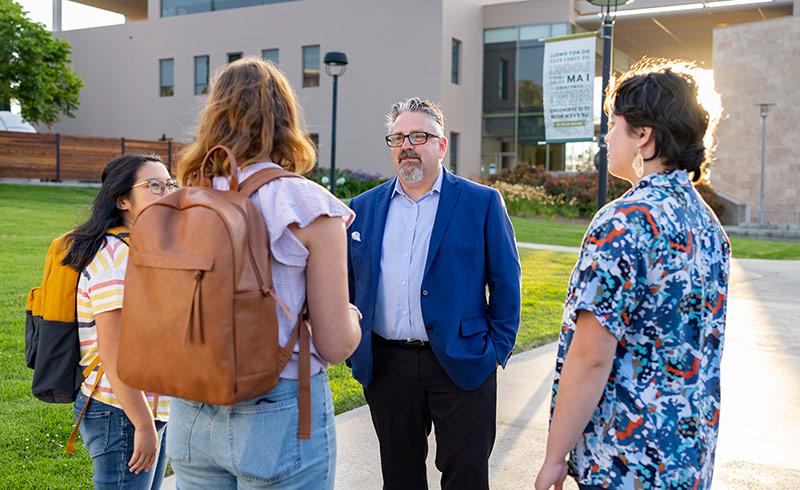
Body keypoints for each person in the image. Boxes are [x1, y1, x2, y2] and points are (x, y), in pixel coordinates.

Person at [534, 58, 729, 490]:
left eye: (613, 124)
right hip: (687, 459)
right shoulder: (709, 226)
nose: (605, 137)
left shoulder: (624, 222)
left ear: (643, 134)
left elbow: (591, 355)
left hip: (624, 461)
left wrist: (554, 457)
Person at [167, 56, 361, 489]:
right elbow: (333, 343)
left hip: (192, 406)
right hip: (278, 408)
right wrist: (353, 316)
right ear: (286, 118)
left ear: (213, 116)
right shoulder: (309, 206)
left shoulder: (187, 200)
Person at [347, 97, 521, 489]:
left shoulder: (481, 202)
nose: (407, 145)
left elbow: (507, 282)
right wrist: (354, 347)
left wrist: (496, 348)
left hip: (462, 362)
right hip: (388, 366)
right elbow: (349, 285)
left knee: (466, 474)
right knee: (400, 475)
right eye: (398, 138)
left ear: (441, 146)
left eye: (419, 136)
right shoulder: (364, 208)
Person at [62, 154, 175, 489]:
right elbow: (113, 351)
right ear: (123, 199)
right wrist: (142, 424)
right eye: (154, 186)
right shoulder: (116, 257)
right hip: (122, 409)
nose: (167, 192)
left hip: (147, 407)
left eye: (170, 184)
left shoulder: (142, 247)